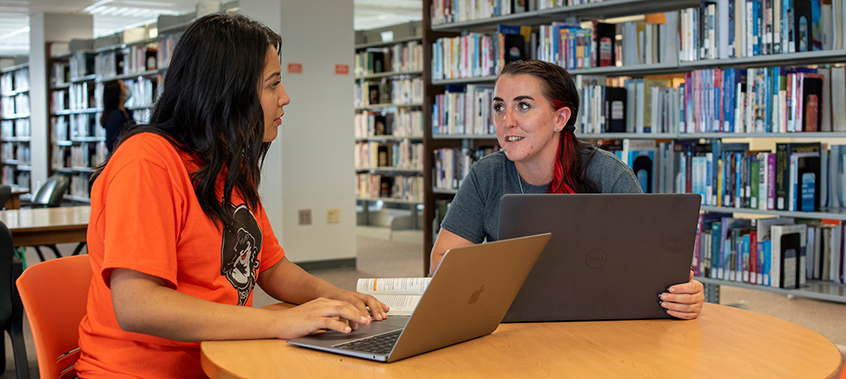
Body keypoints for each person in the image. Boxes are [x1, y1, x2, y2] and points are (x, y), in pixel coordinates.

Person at [76, 13, 389, 378]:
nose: (285, 98)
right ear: (228, 92)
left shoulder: (225, 163)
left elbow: (272, 267)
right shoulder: (147, 161)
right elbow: (137, 305)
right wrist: (281, 322)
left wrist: (332, 296)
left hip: (222, 360)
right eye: (273, 85)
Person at [429, 60, 704, 320]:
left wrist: (686, 295)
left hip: (600, 325)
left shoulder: (609, 174)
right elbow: (441, 263)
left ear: (560, 118)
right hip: (508, 326)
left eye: (523, 106)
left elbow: (653, 270)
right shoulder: (486, 174)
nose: (507, 120)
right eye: (499, 107)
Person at [101, 79, 135, 154]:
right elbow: (111, 145)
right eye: (125, 87)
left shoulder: (127, 111)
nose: (128, 88)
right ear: (119, 94)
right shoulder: (114, 116)